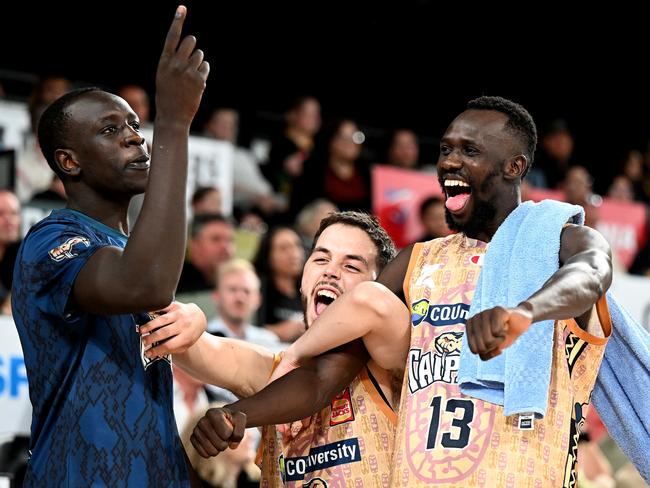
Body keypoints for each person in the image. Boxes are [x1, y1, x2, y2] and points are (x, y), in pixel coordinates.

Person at [190, 96, 615, 487]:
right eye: (446, 149)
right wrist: (239, 414)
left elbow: (593, 272)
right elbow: (324, 378)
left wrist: (526, 312)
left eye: (469, 151)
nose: (449, 162)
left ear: (515, 166)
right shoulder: (417, 262)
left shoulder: (555, 242)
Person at [11, 6, 209, 486]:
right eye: (110, 130)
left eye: (137, 126)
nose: (137, 139)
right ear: (68, 161)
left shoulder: (128, 248)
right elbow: (146, 283)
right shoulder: (48, 243)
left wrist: (197, 318)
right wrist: (175, 124)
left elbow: (150, 280)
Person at [139, 211, 400, 487]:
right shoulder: (275, 371)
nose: (330, 271)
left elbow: (372, 302)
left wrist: (296, 351)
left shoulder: (394, 363)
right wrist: (191, 319)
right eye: (321, 258)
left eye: (351, 267)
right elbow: (201, 348)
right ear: (303, 279)